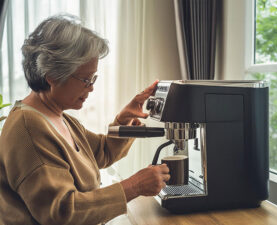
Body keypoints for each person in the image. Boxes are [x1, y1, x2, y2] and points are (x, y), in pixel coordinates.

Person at [0, 14, 170, 225]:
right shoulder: (28, 128)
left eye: (93, 78)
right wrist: (134, 186)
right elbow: (62, 213)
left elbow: (100, 152)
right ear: (52, 75)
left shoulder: (58, 117)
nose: (91, 87)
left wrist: (123, 120)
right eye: (85, 79)